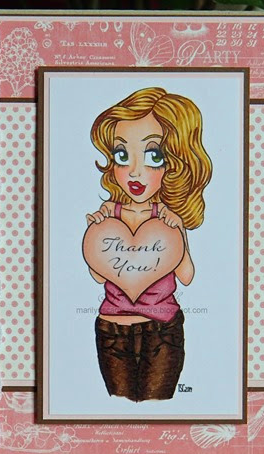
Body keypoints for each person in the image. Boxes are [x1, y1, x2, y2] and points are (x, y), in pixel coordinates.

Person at [86, 87, 212, 402]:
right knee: (117, 406)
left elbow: (186, 276)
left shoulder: (168, 220)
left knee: (159, 404)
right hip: (112, 330)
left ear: (175, 163)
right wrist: (95, 236)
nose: (135, 171)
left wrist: (179, 233)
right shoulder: (108, 216)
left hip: (163, 331)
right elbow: (99, 275)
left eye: (153, 156)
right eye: (122, 155)